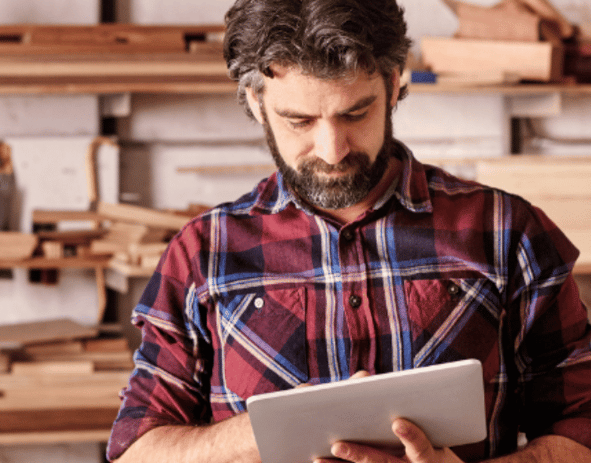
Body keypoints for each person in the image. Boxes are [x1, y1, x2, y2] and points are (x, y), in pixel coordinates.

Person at [106, 0, 591, 461]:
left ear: (395, 82)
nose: (333, 150)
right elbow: (136, 450)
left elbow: (583, 427)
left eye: (355, 113)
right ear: (256, 101)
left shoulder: (507, 233)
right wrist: (266, 431)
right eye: (298, 120)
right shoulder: (202, 253)